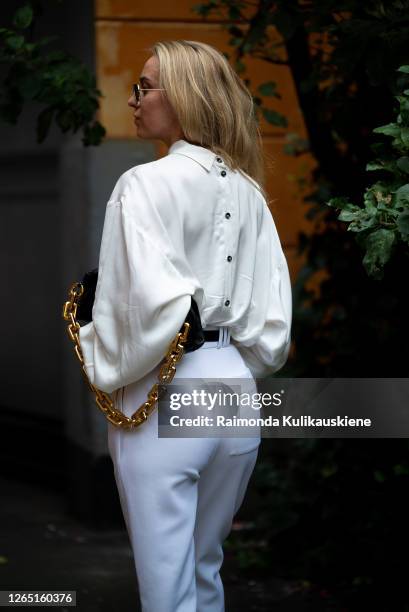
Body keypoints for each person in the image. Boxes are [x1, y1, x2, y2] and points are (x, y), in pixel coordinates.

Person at [79, 40, 292, 612]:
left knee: (167, 588)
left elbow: (141, 309)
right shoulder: (249, 191)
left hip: (166, 386)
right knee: (205, 571)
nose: (133, 99)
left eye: (145, 87)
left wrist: (94, 338)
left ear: (186, 96)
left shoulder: (144, 184)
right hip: (234, 388)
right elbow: (273, 320)